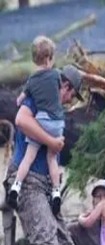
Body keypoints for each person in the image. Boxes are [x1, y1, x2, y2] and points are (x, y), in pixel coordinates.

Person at [5, 64, 83, 245]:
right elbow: (21, 120)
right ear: (66, 87)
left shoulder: (58, 112)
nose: (72, 100)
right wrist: (51, 142)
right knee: (46, 244)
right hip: (25, 180)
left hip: (46, 185)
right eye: (72, 94)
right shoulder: (38, 97)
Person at [8, 36, 70, 215]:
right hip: (57, 123)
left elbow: (20, 100)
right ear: (49, 58)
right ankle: (56, 192)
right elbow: (56, 96)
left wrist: (25, 97)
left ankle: (16, 188)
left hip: (41, 121)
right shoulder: (57, 75)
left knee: (28, 156)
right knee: (52, 159)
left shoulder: (32, 80)